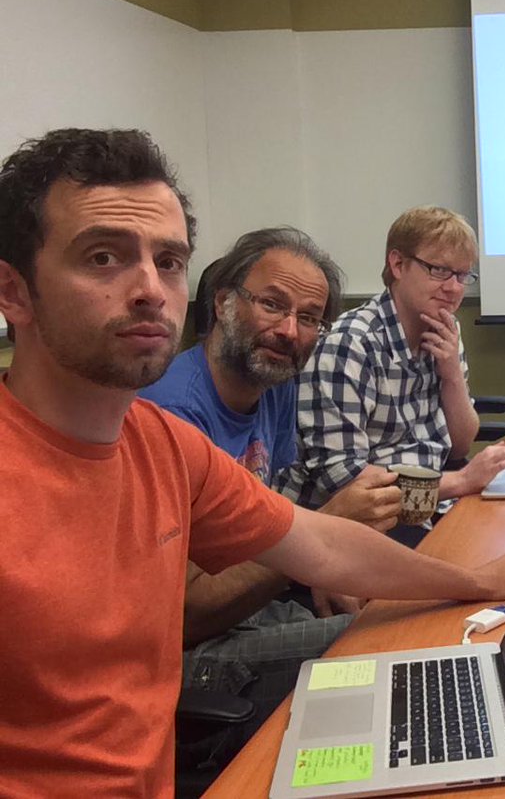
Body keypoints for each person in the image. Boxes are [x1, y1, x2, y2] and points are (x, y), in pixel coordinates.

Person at [0, 128, 505, 797]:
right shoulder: (168, 416)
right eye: (103, 257)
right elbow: (305, 530)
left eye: (168, 262)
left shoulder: (160, 441)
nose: (149, 290)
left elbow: (319, 540)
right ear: (13, 291)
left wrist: (476, 580)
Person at [140, 227, 402, 772]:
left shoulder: (274, 385)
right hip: (182, 654)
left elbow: (263, 522)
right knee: (385, 645)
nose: (288, 331)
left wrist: (322, 565)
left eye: (309, 317)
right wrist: (316, 543)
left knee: (396, 614)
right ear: (222, 303)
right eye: (272, 304)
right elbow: (184, 615)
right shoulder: (171, 414)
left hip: (244, 608)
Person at [281, 206, 505, 536]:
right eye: (439, 270)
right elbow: (345, 481)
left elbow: (460, 445)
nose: (454, 288)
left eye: (462, 275)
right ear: (397, 264)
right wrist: (461, 481)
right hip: (359, 525)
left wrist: (452, 375)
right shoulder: (350, 345)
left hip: (428, 505)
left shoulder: (445, 329)